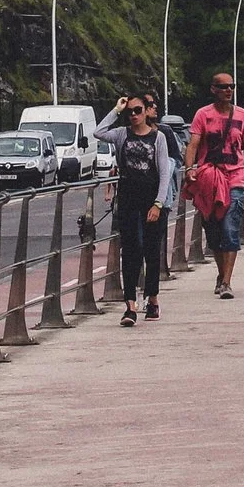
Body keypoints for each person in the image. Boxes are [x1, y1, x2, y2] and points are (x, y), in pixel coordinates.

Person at [97, 95, 177, 323]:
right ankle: (130, 305)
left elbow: (164, 173)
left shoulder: (158, 137)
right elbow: (99, 132)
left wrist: (158, 204)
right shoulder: (122, 134)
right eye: (129, 111)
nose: (133, 115)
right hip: (128, 201)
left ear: (146, 111)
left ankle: (152, 300)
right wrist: (115, 109)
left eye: (137, 110)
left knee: (152, 252)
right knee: (131, 252)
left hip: (151, 200)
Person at [185, 72, 244, 299]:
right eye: (223, 86)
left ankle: (227, 282)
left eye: (231, 86)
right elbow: (193, 145)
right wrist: (190, 169)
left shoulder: (243, 116)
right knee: (214, 231)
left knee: (230, 228)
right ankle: (221, 273)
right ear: (213, 89)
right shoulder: (203, 115)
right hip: (211, 180)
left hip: (235, 178)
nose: (228, 90)